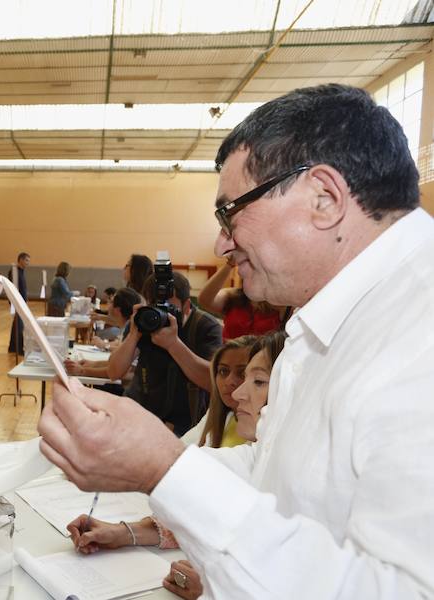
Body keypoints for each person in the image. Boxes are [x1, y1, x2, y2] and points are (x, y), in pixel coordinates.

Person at [38, 84, 434, 599]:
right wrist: (147, 460)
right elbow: (272, 469)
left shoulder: (417, 332)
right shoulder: (333, 320)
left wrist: (164, 468)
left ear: (324, 198)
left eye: (231, 213)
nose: (223, 242)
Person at [66, 332, 286, 600]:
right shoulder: (256, 455)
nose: (237, 391)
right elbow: (189, 475)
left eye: (259, 381)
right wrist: (125, 532)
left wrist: (221, 589)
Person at [108, 271, 222, 436]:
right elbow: (114, 372)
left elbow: (213, 381)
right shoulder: (145, 320)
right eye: (155, 304)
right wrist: (134, 334)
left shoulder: (205, 327)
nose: (161, 313)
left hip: (184, 426)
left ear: (187, 305)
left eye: (169, 307)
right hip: (139, 413)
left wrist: (173, 345)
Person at [179, 335, 256, 448]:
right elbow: (179, 449)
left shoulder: (266, 429)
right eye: (223, 371)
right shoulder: (215, 415)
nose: (229, 381)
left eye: (242, 373)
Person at [197, 257, 282, 339]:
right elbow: (205, 300)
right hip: (229, 351)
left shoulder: (277, 302)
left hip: (263, 353)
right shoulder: (233, 296)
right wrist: (229, 265)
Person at [7, 252, 30, 354]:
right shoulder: (14, 271)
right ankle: (17, 348)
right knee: (18, 325)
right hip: (16, 302)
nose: (28, 263)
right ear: (20, 259)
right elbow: (14, 288)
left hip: (21, 302)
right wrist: (15, 302)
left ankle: (13, 347)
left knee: (18, 324)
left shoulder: (21, 271)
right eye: (26, 260)